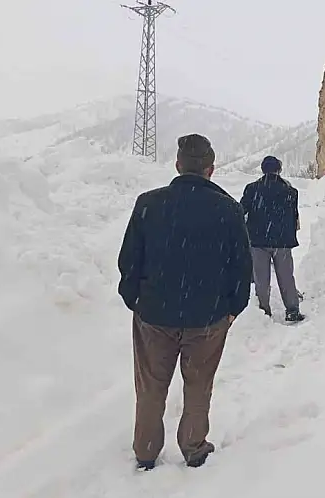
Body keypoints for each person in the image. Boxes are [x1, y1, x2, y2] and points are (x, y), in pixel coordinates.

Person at [117, 134, 253, 470]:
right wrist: (234, 308)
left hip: (153, 313)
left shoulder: (148, 203)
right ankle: (193, 446)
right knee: (198, 384)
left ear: (178, 166)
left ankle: (146, 450)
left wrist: (133, 298)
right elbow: (241, 266)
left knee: (151, 385)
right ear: (211, 169)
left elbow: (129, 260)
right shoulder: (229, 209)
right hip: (207, 317)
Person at [240, 155, 305, 323]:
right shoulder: (290, 191)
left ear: (263, 169)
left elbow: (241, 211)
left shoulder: (251, 189)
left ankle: (264, 312)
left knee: (261, 279)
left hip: (257, 241)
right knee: (286, 277)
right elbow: (293, 216)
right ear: (279, 169)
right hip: (282, 242)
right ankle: (292, 310)